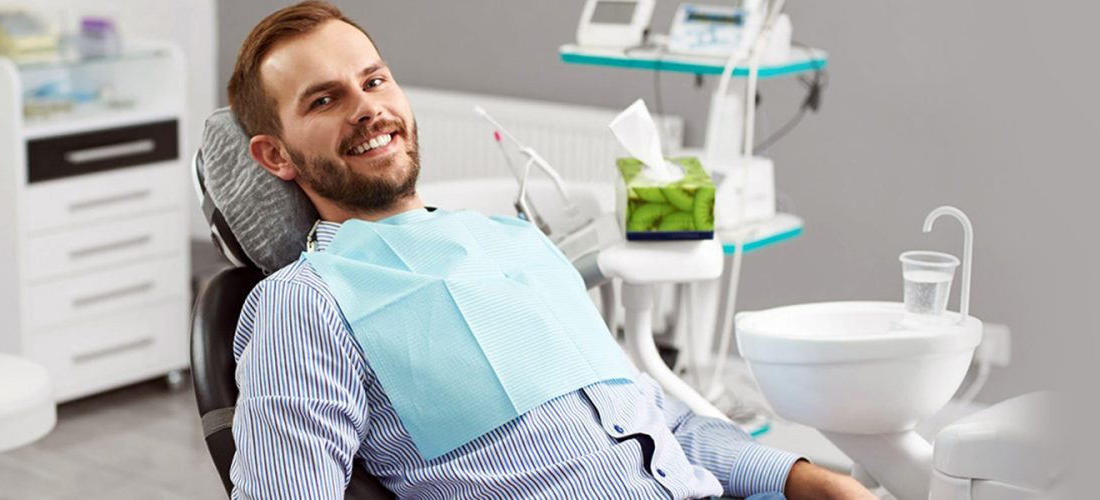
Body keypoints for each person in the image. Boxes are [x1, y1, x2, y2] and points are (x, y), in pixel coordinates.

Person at [226, 2, 875, 499]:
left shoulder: (516, 242)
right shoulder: (306, 305)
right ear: (276, 154)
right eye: (325, 99)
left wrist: (810, 479)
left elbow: (653, 420)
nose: (367, 109)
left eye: (374, 81)